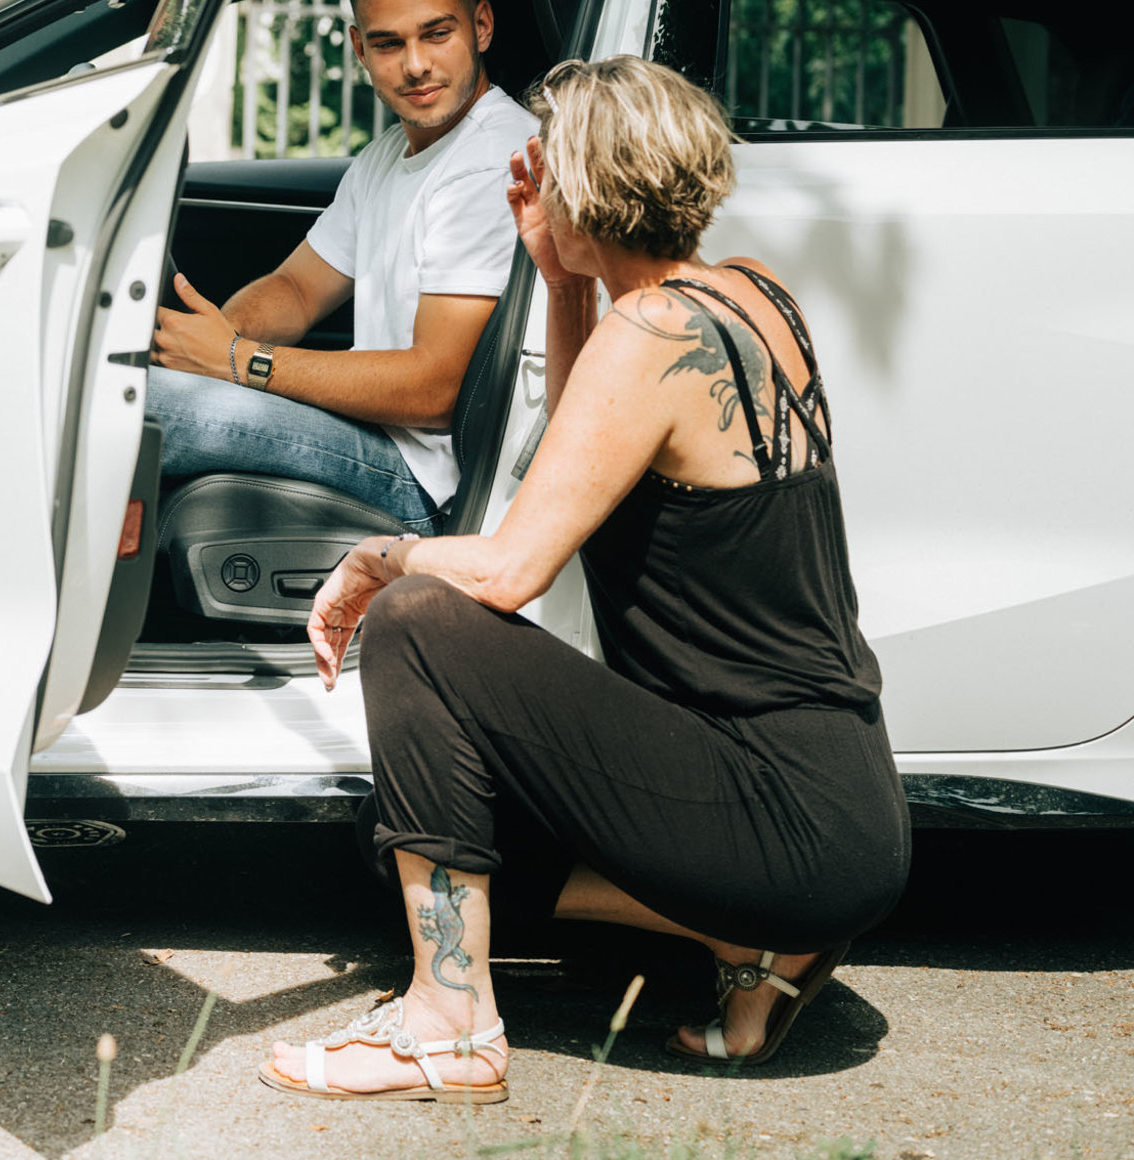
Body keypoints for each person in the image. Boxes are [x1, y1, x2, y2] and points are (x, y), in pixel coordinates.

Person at [260, 55, 911, 1102]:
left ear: (584, 189)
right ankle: (754, 942)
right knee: (396, 844)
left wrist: (377, 559)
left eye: (542, 172)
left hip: (775, 814)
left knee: (422, 619)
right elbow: (595, 441)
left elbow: (511, 568)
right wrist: (562, 284)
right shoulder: (749, 294)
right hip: (840, 815)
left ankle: (448, 1022)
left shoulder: (643, 335)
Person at [148, 0, 539, 530]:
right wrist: (214, 339)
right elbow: (297, 290)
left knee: (133, 405)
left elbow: (437, 388)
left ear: (481, 27)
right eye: (388, 43)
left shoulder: (492, 160)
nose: (414, 65)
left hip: (424, 479)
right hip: (374, 435)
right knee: (147, 388)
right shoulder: (387, 154)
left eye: (436, 34)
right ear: (359, 48)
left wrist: (236, 362)